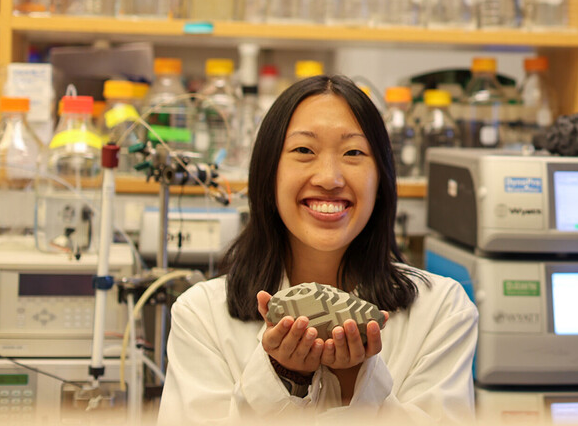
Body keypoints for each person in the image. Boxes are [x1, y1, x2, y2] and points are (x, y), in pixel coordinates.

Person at [159, 75, 477, 423]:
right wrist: (284, 378)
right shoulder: (203, 316)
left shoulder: (442, 311)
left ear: (382, 180)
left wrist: (358, 380)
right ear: (268, 174)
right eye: (304, 151)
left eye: (353, 152)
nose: (329, 178)